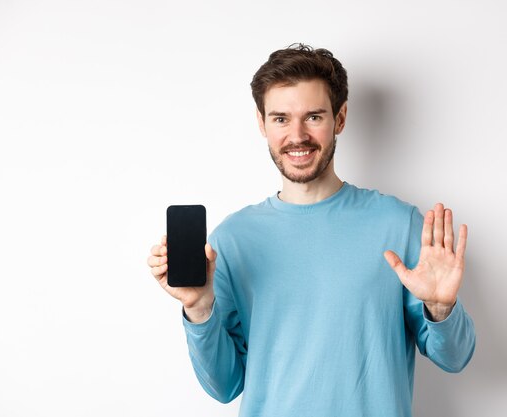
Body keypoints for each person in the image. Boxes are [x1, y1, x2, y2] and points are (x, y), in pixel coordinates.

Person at [147, 44, 475, 417]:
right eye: (281, 118)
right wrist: (199, 307)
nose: (297, 135)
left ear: (340, 118)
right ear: (262, 123)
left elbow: (456, 359)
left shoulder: (399, 224)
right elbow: (224, 387)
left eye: (314, 117)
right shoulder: (232, 240)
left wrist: (440, 307)